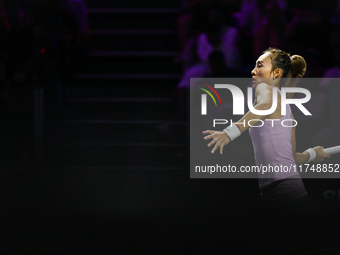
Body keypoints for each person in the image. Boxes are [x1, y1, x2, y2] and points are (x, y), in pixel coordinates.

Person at [202, 47, 331, 203]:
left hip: (283, 189)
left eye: (260, 65)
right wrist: (312, 154)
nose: (253, 71)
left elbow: (265, 104)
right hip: (287, 187)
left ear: (276, 73)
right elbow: (294, 158)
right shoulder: (289, 112)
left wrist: (231, 132)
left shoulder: (266, 88)